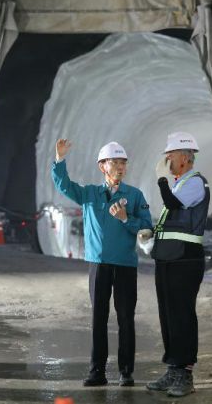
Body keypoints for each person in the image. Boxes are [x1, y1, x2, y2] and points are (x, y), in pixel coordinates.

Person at [51, 139, 152, 387]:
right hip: (99, 264)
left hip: (126, 265)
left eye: (123, 163)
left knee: (126, 318)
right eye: (114, 162)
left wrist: (126, 218)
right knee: (99, 317)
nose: (119, 167)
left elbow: (148, 227)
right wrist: (59, 160)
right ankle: (97, 372)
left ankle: (126, 372)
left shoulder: (135, 196)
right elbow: (64, 185)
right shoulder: (89, 195)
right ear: (102, 167)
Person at [146, 132, 210, 398]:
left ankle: (185, 374)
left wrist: (161, 180)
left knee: (182, 315)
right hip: (170, 257)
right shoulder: (180, 183)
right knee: (168, 315)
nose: (167, 161)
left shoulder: (195, 183)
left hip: (185, 259)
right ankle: (173, 368)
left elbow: (172, 203)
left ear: (184, 158)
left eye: (170, 157)